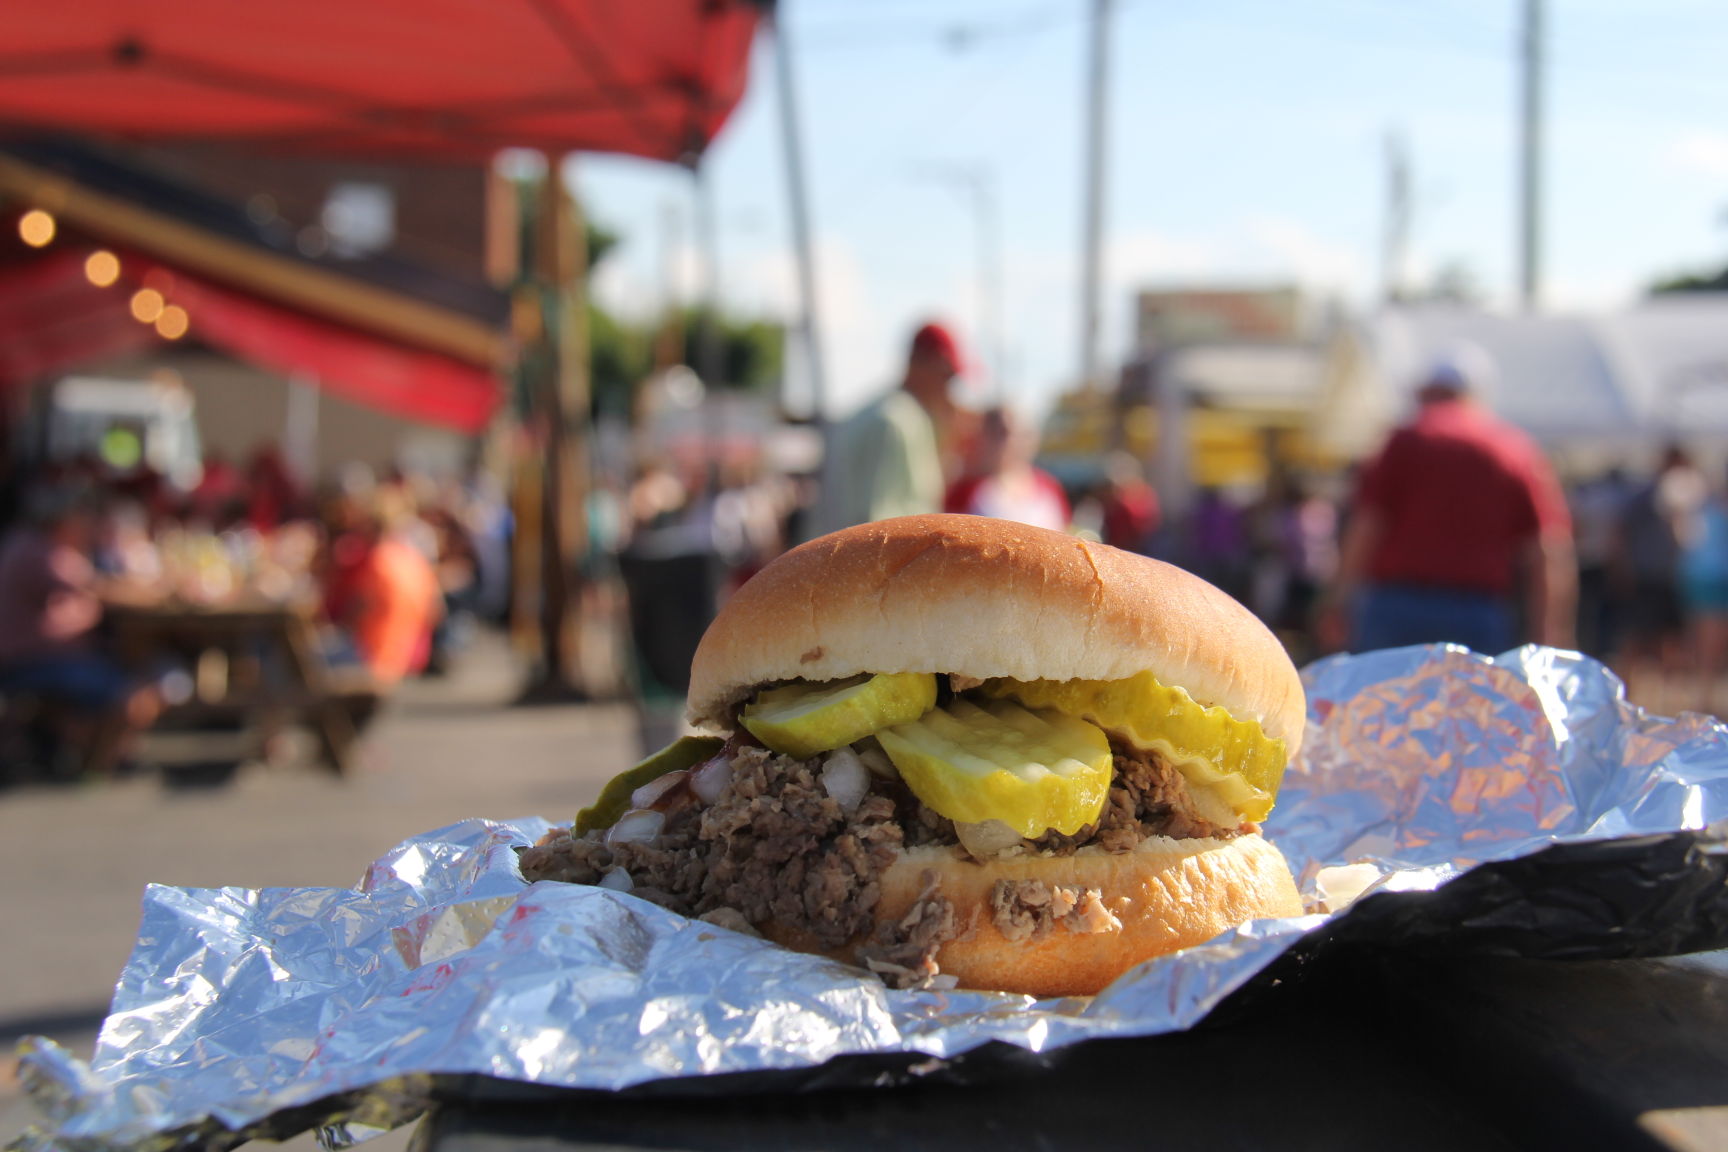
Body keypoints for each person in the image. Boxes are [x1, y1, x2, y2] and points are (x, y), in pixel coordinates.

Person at [1320, 344, 1575, 654]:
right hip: (1477, 609)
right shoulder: (1515, 449)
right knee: (1470, 704)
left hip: (1396, 605)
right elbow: (1549, 549)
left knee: (1382, 701)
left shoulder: (1406, 440)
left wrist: (1339, 600)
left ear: (1429, 390)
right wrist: (1550, 633)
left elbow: (1367, 526)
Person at [0, 488, 161, 776]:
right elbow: (99, 587)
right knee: (137, 692)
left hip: (26, 658)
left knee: (122, 673)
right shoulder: (42, 551)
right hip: (25, 663)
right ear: (64, 521)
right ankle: (100, 764)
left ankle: (95, 754)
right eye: (82, 519)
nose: (89, 527)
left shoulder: (24, 543)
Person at [806, 320, 969, 538]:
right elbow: (877, 528)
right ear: (919, 363)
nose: (950, 389)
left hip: (839, 563)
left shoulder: (890, 413)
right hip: (861, 568)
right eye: (947, 375)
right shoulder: (895, 421)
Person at [1614, 444, 1707, 704]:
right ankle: (1627, 696)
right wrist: (1623, 567)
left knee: (1672, 642)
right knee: (1637, 639)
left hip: (1671, 579)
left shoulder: (1687, 498)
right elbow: (1620, 532)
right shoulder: (1644, 497)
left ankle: (1669, 698)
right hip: (1645, 578)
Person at [942, 406, 1070, 532]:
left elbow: (1067, 532)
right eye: (1001, 433)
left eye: (1022, 434)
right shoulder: (965, 491)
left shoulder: (1050, 487)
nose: (1012, 441)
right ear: (984, 437)